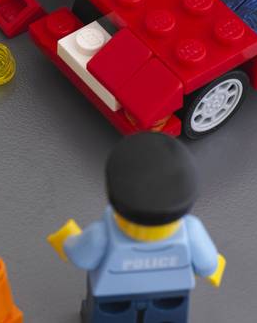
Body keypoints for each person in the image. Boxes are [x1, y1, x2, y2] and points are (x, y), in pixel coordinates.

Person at [47, 133, 225, 323]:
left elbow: (81, 257)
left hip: (112, 298)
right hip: (171, 296)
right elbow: (208, 266)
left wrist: (68, 240)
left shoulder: (102, 235)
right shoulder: (191, 231)